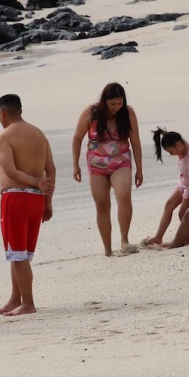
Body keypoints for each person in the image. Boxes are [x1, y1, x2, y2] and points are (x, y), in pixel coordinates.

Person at [0, 94, 56, 317]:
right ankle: (15, 298)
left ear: (2, 113)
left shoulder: (5, 135)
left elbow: (10, 170)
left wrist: (34, 182)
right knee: (18, 253)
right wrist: (47, 199)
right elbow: (52, 170)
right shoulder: (39, 134)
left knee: (18, 255)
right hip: (36, 200)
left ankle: (28, 303)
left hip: (16, 198)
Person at [72, 82, 144, 257]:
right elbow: (77, 138)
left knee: (123, 194)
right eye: (113, 104)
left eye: (119, 103)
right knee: (102, 205)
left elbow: (135, 141)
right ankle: (107, 249)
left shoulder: (128, 113)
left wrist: (139, 169)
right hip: (96, 165)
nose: (116, 108)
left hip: (121, 161)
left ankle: (124, 240)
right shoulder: (91, 112)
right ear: (105, 101)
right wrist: (75, 165)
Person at [146, 128, 189, 246]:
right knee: (169, 204)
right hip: (185, 180)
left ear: (178, 145)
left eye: (171, 152)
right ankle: (158, 237)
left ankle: (187, 239)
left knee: (183, 214)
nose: (171, 155)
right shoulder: (182, 147)